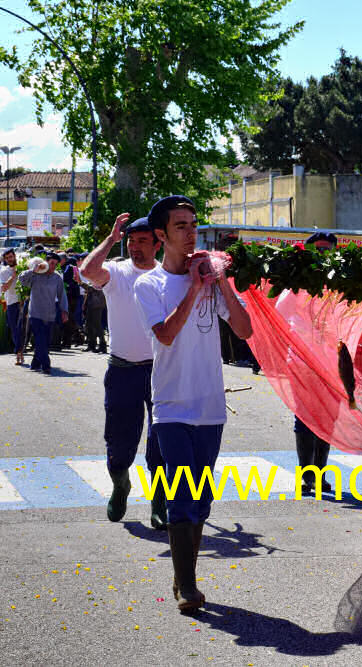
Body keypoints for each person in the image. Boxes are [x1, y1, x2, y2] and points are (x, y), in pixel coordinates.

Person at [134, 195, 252, 612]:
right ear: (161, 235)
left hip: (209, 408)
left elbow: (244, 328)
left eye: (194, 224)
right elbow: (164, 335)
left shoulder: (209, 277)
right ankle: (187, 585)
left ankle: (184, 574)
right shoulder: (149, 283)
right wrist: (195, 289)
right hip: (170, 407)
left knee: (200, 499)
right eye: (180, 226)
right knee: (181, 492)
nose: (190, 234)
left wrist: (219, 281)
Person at [79, 213, 169, 528]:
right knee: (118, 441)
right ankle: (120, 484)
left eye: (143, 241)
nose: (135, 247)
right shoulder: (116, 272)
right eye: (131, 240)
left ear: (159, 243)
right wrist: (111, 239)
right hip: (122, 370)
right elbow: (87, 271)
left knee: (162, 439)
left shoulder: (167, 276)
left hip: (161, 372)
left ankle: (160, 500)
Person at [291, 231, 337, 495]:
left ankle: (319, 473)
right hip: (302, 360)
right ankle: (306, 475)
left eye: (327, 250)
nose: (323, 255)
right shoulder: (297, 281)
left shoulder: (342, 281)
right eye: (318, 250)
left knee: (327, 420)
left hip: (332, 363)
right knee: (305, 418)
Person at [18, 252, 69, 374]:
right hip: (35, 313)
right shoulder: (35, 275)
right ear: (45, 262)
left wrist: (64, 311)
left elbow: (62, 295)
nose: (53, 267)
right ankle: (46, 365)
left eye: (56, 264)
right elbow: (21, 279)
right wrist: (34, 270)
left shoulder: (57, 278)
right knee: (40, 339)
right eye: (51, 263)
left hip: (50, 314)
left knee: (45, 341)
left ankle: (35, 363)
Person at [1, 248, 24, 365]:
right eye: (7, 258)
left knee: (23, 329)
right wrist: (13, 276)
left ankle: (20, 351)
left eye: (11, 256)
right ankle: (19, 352)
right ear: (5, 260)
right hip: (11, 303)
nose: (10, 259)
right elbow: (4, 288)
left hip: (24, 302)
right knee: (15, 329)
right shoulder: (4, 272)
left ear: (15, 256)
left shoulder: (23, 267)